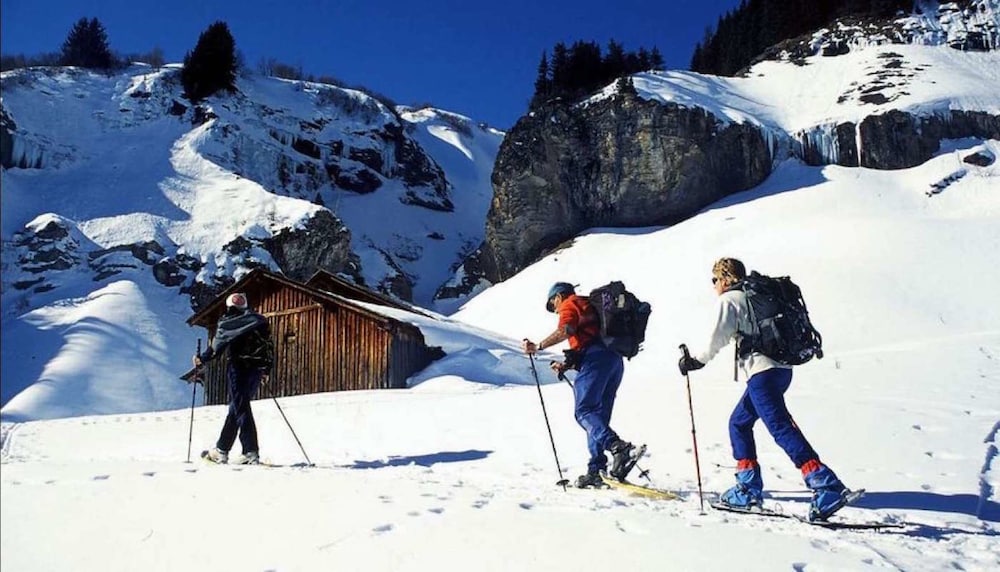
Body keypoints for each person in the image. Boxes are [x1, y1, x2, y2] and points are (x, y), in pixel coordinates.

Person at [678, 258, 852, 521]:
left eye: (714, 280)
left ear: (724, 278)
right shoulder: (755, 295)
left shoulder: (729, 300)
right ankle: (748, 486)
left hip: (762, 372)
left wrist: (695, 361)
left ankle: (825, 484)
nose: (713, 285)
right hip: (780, 371)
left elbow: (717, 338)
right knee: (739, 422)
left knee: (779, 426)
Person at [522, 281, 637, 488]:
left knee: (584, 411)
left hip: (596, 360)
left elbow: (566, 329)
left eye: (552, 305)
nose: (554, 310)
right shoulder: (588, 305)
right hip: (614, 361)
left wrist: (538, 346)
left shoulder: (569, 303)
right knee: (597, 416)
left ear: (558, 296)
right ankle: (596, 469)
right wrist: (567, 365)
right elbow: (589, 338)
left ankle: (617, 447)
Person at [193, 292, 272, 465]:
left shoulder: (228, 322)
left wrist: (201, 359)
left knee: (240, 406)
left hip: (239, 368)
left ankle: (250, 451)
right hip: (257, 370)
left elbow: (216, 348)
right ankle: (221, 449)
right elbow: (268, 346)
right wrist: (266, 369)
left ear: (229, 306)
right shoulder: (259, 321)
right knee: (236, 407)